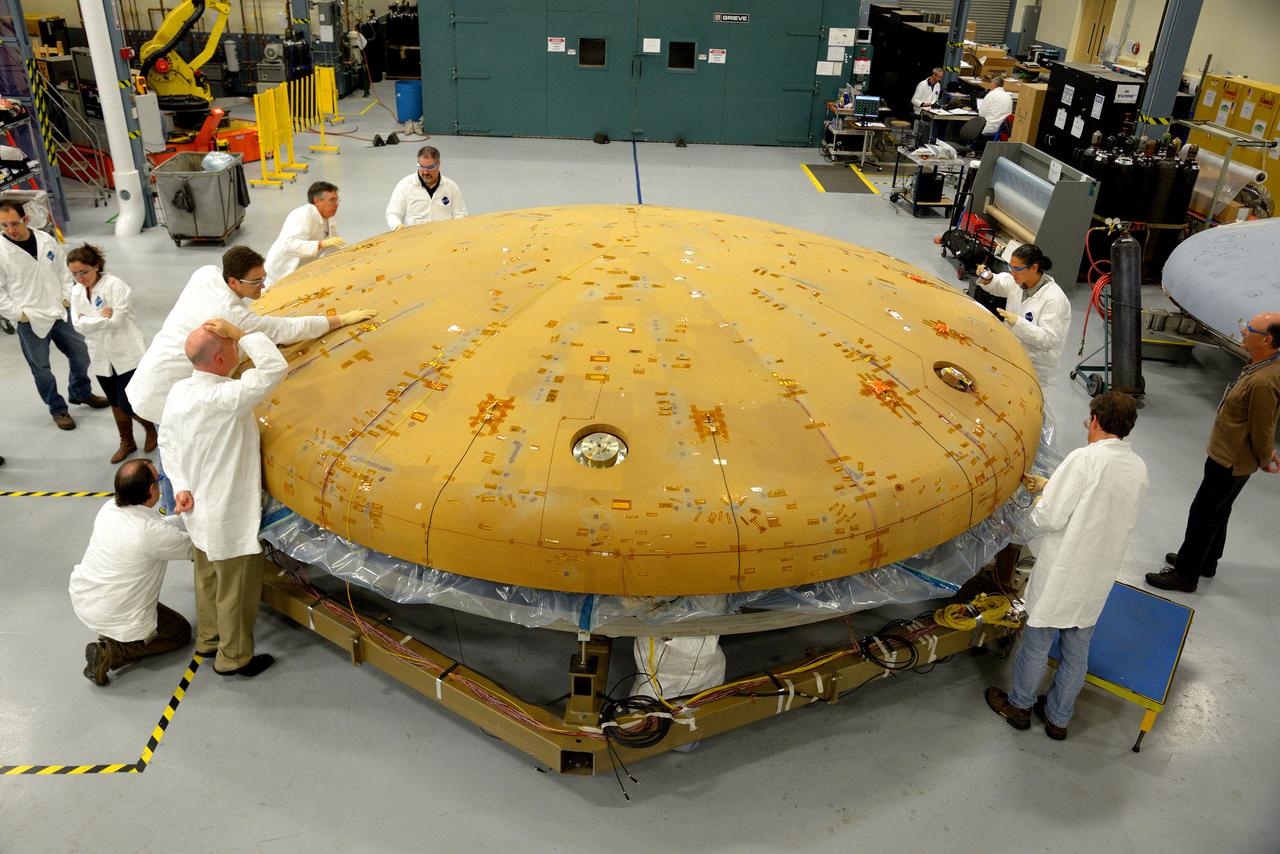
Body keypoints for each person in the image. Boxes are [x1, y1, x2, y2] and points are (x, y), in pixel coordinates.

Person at [127, 246, 375, 507]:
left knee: (172, 450)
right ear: (233, 281)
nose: (263, 286)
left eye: (263, 277)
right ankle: (174, 506)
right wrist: (338, 320)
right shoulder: (232, 314)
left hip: (149, 374)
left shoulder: (206, 274)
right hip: (163, 392)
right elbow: (282, 330)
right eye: (255, 281)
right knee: (177, 456)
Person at [986, 391, 1148, 740]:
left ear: (1094, 421)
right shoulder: (1137, 468)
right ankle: (1059, 718)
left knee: (1037, 641)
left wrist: (1042, 496)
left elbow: (1050, 516)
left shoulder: (1083, 459)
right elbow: (1102, 505)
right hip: (1097, 575)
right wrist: (1053, 486)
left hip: (1065, 571)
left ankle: (1020, 705)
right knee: (1077, 649)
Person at [159, 320, 286, 677]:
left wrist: (181, 485)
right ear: (219, 358)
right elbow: (275, 368)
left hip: (196, 508)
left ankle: (209, 639)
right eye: (231, 345)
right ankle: (233, 658)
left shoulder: (180, 391)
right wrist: (244, 332)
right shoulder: (226, 397)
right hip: (227, 516)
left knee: (207, 578)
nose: (237, 349)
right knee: (236, 589)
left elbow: (167, 441)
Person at [1147, 313, 1280, 593]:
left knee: (1203, 513)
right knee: (1219, 511)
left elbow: (1263, 427)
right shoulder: (1262, 363)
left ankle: (1185, 574)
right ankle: (1205, 561)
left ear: (1267, 339)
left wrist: (1266, 457)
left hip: (1231, 460)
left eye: (1250, 328)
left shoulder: (1264, 381)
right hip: (1229, 454)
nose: (1243, 330)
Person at [71, 459, 195, 686]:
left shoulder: (109, 508)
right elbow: (196, 547)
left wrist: (181, 516)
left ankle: (112, 637)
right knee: (180, 632)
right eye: (159, 481)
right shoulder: (149, 534)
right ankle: (113, 651)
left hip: (90, 596)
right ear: (151, 490)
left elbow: (158, 529)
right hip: (118, 609)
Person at [0, 199, 107, 429]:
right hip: (29, 319)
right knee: (42, 369)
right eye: (4, 226)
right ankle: (58, 409)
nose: (10, 230)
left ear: (25, 219)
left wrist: (68, 297)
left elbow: (62, 271)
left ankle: (80, 391)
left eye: (14, 223)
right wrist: (18, 314)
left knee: (81, 353)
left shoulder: (45, 240)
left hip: (59, 311)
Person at [68, 244, 155, 463]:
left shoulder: (116, 286)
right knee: (114, 402)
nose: (80, 278)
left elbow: (116, 321)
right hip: (100, 355)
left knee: (128, 401)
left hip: (126, 352)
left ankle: (151, 428)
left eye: (84, 272)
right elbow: (77, 325)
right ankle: (127, 441)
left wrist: (89, 320)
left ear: (96, 266)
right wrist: (100, 318)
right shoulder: (77, 291)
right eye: (74, 274)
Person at [974, 244, 1070, 388]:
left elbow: (1048, 339)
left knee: (1029, 405)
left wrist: (1018, 323)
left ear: (1034, 268)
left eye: (1017, 269)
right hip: (1011, 354)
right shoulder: (1019, 281)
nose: (1012, 273)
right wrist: (988, 278)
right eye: (1010, 268)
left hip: (1036, 367)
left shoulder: (1054, 299)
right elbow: (1001, 283)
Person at [263, 181, 346, 288]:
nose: (336, 204)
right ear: (316, 201)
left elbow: (334, 246)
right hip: (281, 271)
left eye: (337, 200)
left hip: (301, 271)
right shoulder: (303, 215)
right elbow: (289, 245)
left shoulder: (328, 218)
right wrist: (320, 244)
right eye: (332, 200)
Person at [385, 145, 467, 230]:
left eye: (430, 167)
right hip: (414, 238)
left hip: (443, 238)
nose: (425, 172)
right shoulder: (405, 186)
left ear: (438, 164)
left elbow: (460, 214)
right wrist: (398, 226)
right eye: (421, 166)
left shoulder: (451, 188)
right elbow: (393, 213)